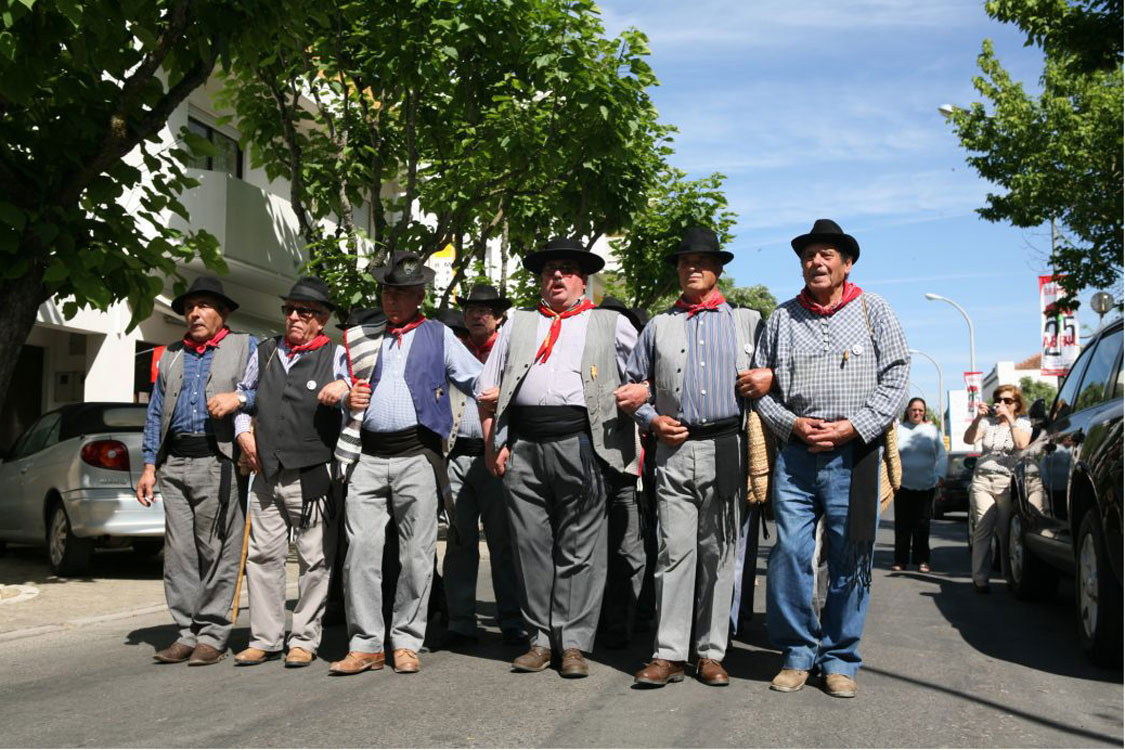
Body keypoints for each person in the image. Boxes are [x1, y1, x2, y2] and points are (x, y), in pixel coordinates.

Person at [754, 219, 909, 698]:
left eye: (827, 255)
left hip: (854, 454)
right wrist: (792, 425)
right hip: (797, 456)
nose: (816, 262)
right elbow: (759, 389)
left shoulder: (873, 309)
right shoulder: (780, 318)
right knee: (790, 553)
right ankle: (798, 653)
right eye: (809, 255)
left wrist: (855, 426)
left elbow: (898, 377)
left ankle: (840, 658)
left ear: (847, 263)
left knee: (851, 558)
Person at [617, 227, 772, 688]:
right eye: (686, 262)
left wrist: (767, 378)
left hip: (729, 446)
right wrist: (650, 420)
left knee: (720, 553)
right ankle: (669, 655)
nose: (693, 268)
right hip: (673, 449)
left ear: (719, 269)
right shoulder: (658, 326)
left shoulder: (748, 321)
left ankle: (710, 653)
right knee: (672, 553)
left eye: (702, 261)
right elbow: (628, 387)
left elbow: (770, 376)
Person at [477, 237, 637, 679]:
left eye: (567, 269)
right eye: (550, 270)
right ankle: (541, 640)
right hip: (524, 445)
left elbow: (645, 375)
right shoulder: (518, 323)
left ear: (582, 279)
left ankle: (574, 645)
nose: (557, 276)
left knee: (581, 549)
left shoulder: (610, 322)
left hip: (582, 442)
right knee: (531, 546)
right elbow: (487, 390)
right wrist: (495, 444)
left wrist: (639, 398)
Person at [330, 251, 481, 675]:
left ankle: (406, 641)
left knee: (416, 554)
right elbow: (342, 383)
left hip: (418, 455)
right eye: (386, 290)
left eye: (400, 293)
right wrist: (345, 395)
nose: (391, 299)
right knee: (360, 551)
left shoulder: (438, 334)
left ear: (419, 295)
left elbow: (478, 380)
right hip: (368, 455)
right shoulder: (361, 335)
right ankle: (365, 644)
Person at [230, 276, 350, 668]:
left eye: (304, 312)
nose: (294, 317)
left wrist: (344, 390)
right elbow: (244, 396)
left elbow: (353, 396)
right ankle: (264, 638)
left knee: (315, 559)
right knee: (263, 557)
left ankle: (303, 640)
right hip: (266, 471)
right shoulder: (265, 351)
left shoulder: (335, 355)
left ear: (322, 318)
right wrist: (243, 433)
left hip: (313, 472)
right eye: (289, 310)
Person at [137, 276, 256, 666]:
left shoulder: (244, 346)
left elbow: (262, 391)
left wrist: (239, 397)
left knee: (218, 550)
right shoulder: (172, 354)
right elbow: (156, 413)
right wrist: (150, 465)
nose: (195, 313)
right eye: (190, 306)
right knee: (180, 555)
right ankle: (187, 632)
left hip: (218, 461)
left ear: (222, 312)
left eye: (204, 305)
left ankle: (214, 633)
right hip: (175, 465)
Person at [442, 283, 526, 648]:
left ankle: (512, 619)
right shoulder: (452, 352)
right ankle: (460, 620)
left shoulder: (510, 353)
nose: (478, 315)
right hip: (456, 456)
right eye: (472, 310)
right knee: (459, 543)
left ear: (499, 317)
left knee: (504, 542)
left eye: (486, 310)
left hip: (499, 457)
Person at [595, 296, 648, 650]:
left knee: (629, 551)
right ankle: (599, 623)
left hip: (630, 470)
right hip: (590, 467)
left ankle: (628, 620)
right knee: (595, 551)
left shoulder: (639, 368)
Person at [963, 384, 1031, 593]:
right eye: (999, 400)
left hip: (1006, 482)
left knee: (1005, 532)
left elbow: (1021, 444)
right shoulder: (987, 423)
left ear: (1016, 405)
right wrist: (977, 418)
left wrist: (1009, 420)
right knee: (983, 527)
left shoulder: (1023, 423)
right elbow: (968, 439)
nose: (1002, 404)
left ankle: (1009, 576)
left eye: (1008, 401)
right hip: (982, 480)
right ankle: (980, 578)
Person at [892, 398, 947, 573]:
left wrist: (941, 475)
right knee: (902, 525)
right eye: (914, 410)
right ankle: (900, 561)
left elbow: (942, 455)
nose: (917, 413)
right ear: (907, 410)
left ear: (924, 412)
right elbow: (890, 455)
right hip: (903, 486)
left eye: (921, 410)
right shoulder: (898, 430)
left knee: (922, 524)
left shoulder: (931, 430)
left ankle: (922, 560)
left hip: (926, 485)